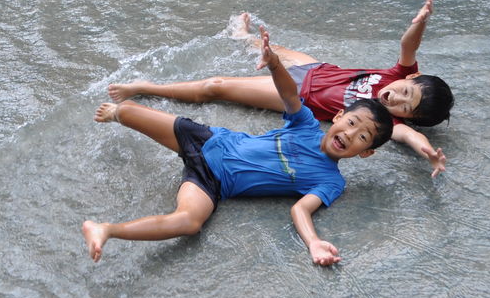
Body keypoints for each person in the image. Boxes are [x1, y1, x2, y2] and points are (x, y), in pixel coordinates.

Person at [83, 28, 392, 266]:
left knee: (189, 223)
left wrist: (313, 242)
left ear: (366, 152)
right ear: (338, 117)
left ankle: (106, 230)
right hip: (208, 140)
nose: (350, 134)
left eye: (362, 137)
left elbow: (300, 209)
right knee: (126, 111)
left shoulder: (331, 181)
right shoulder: (307, 125)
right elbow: (289, 95)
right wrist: (275, 65)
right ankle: (120, 112)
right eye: (351, 123)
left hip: (212, 182)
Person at [107, 0, 451, 177]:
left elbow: (411, 137)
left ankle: (147, 87)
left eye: (405, 107)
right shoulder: (399, 73)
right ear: (410, 77)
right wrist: (420, 22)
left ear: (408, 117)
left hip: (296, 93)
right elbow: (408, 45)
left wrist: (428, 154)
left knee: (216, 86)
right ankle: (242, 36)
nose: (396, 99)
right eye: (405, 92)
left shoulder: (390, 123)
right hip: (316, 67)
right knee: (263, 48)